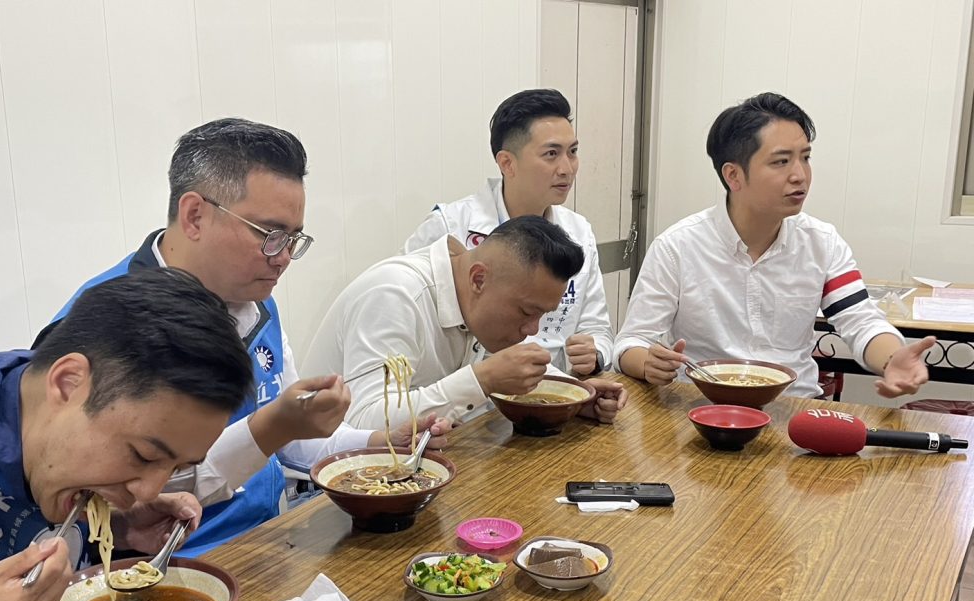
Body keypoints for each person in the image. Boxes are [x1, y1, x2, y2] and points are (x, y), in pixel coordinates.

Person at [40, 119, 449, 556]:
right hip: (168, 560)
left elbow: (294, 442)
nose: (284, 257)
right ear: (194, 216)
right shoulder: (103, 326)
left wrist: (379, 444)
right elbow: (104, 498)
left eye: (294, 238)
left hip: (269, 537)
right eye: (270, 235)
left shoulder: (254, 302)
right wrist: (270, 427)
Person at [0, 269, 254, 601]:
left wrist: (114, 528)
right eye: (143, 455)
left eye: (177, 467)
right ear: (67, 383)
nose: (149, 491)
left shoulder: (54, 441)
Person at [614, 92, 933, 398]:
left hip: (792, 406)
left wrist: (892, 359)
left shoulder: (822, 244)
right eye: (781, 162)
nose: (800, 175)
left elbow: (860, 320)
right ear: (733, 175)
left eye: (805, 158)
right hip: (700, 409)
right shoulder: (677, 247)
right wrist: (648, 363)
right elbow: (631, 341)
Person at [303, 216, 628, 430]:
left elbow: (506, 365)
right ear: (478, 279)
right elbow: (364, 422)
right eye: (527, 311)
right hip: (324, 489)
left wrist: (573, 396)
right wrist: (482, 379)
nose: (533, 329)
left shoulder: (473, 296)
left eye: (543, 315)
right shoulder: (395, 295)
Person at [401, 88, 614, 376]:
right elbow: (405, 310)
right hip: (469, 394)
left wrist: (595, 353)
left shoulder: (578, 232)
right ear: (507, 163)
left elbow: (598, 328)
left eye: (573, 152)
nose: (567, 168)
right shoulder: (449, 226)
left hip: (554, 391)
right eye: (551, 154)